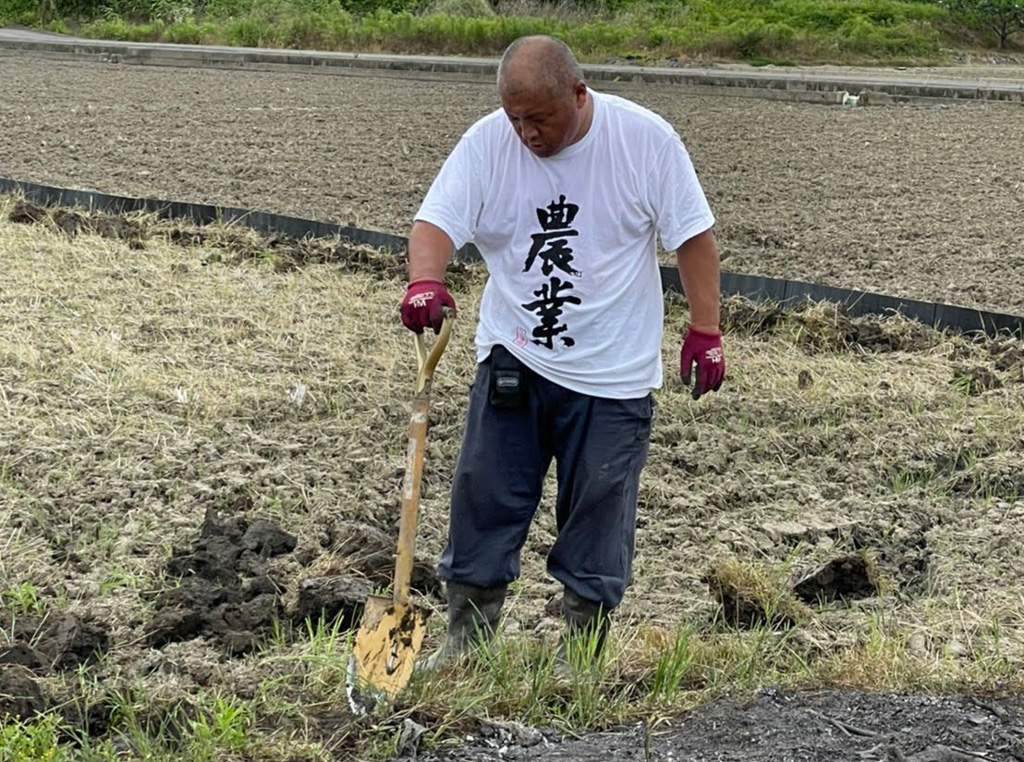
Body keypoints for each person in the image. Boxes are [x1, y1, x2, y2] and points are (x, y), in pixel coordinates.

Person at [399, 35, 725, 673]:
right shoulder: (489, 141)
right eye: (514, 118)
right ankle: (467, 640)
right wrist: (425, 279)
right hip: (516, 355)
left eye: (539, 119)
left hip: (613, 372)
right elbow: (435, 221)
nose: (525, 133)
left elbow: (693, 235)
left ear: (579, 95)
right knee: (484, 494)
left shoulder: (645, 141)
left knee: (600, 511)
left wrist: (706, 330)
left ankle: (579, 653)